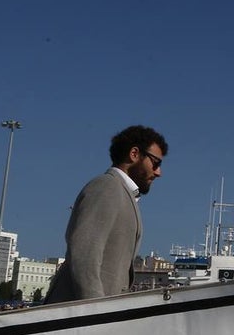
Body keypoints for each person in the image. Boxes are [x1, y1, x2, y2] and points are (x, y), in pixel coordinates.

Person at [45, 125, 168, 304]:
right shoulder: (107, 187)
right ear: (134, 154)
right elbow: (84, 255)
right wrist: (97, 312)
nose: (158, 172)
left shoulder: (123, 193)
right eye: (156, 163)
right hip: (79, 319)